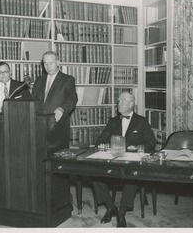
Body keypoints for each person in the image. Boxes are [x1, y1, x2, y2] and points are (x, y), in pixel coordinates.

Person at [92, 91, 157, 227]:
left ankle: (121, 213)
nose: (118, 104)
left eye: (122, 101)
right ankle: (111, 207)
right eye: (119, 101)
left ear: (131, 104)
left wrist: (138, 147)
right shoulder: (113, 121)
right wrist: (108, 145)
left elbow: (151, 143)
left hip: (132, 164)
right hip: (113, 161)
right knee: (94, 175)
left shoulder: (141, 121)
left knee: (133, 178)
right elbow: (100, 141)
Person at [32, 51, 77, 151]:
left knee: (56, 160)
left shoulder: (67, 80)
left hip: (58, 127)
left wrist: (61, 109)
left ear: (58, 62)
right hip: (39, 127)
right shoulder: (39, 80)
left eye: (51, 63)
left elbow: (72, 98)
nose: (48, 66)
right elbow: (33, 100)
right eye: (45, 63)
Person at [0, 61, 31, 138]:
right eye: (0, 72)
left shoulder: (22, 87)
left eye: (6, 71)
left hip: (19, 129)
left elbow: (29, 109)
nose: (3, 74)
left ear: (10, 72)